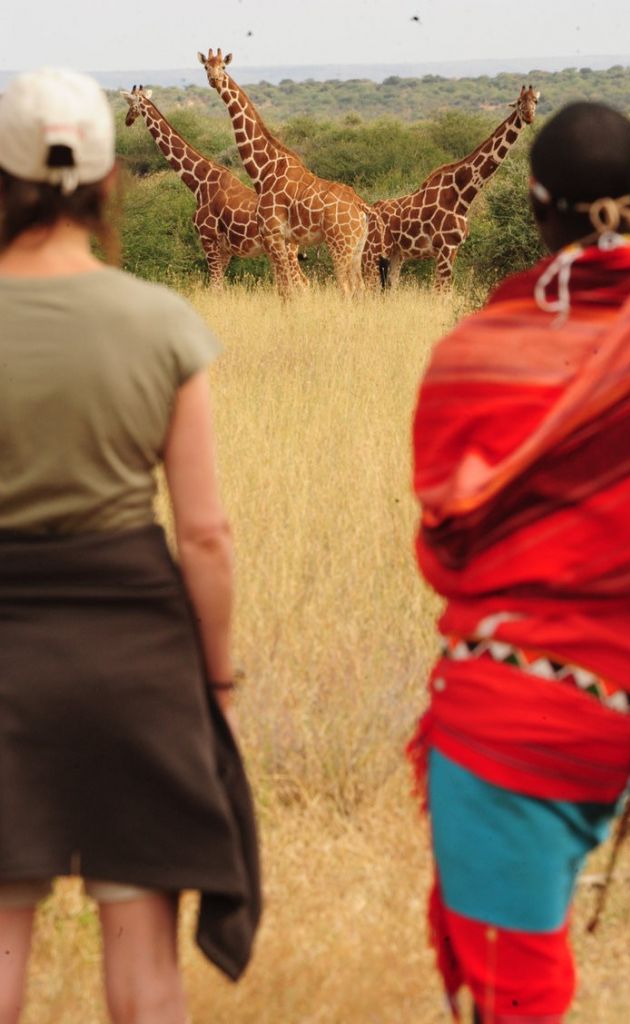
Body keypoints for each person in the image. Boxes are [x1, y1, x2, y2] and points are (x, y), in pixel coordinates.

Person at [409, 101, 630, 1024]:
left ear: (533, 204)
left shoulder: (473, 353)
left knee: (510, 991)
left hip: (509, 721)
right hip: (629, 713)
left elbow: (444, 551)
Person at [0, 69, 259, 1024]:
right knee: (144, 956)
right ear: (109, 186)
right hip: (135, 655)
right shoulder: (161, 323)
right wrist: (217, 685)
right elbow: (204, 533)